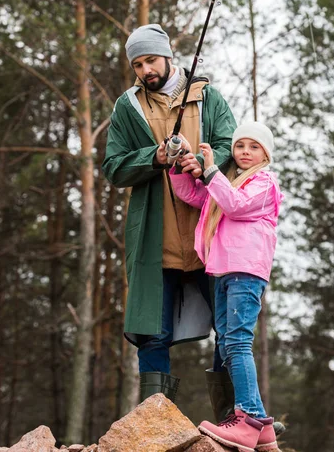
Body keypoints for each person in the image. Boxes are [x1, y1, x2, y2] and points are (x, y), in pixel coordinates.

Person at [102, 23, 237, 409]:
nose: (146, 70)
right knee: (152, 333)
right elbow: (113, 167)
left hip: (210, 237)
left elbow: (231, 144)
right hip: (154, 240)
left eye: (151, 60)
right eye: (138, 64)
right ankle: (155, 424)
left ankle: (231, 419)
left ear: (168, 56)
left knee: (230, 328)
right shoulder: (127, 107)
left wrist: (206, 162)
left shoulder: (207, 95)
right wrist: (154, 158)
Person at [169, 121, 284, 452]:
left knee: (237, 342)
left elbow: (234, 204)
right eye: (240, 146)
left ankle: (247, 418)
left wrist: (209, 170)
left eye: (254, 147)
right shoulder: (229, 182)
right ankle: (262, 431)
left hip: (245, 271)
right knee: (227, 342)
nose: (245, 152)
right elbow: (191, 194)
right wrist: (181, 164)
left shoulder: (264, 184)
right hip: (222, 271)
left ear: (265, 154)